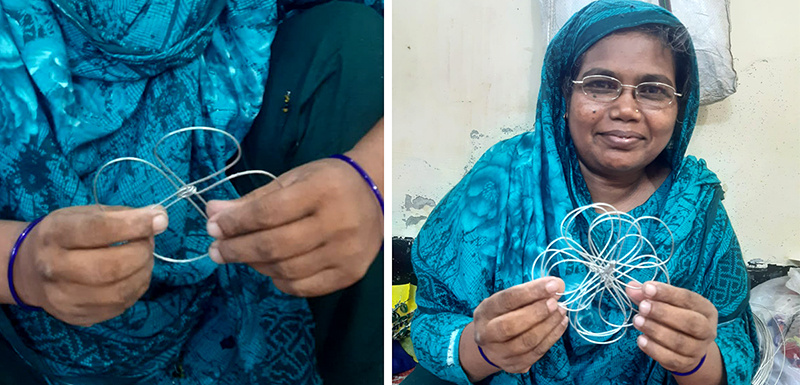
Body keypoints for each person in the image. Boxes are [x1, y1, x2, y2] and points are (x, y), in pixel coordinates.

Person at [0, 0, 383, 384]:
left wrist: (370, 179)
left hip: (242, 164)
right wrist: (19, 263)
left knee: (352, 39)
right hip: (31, 322)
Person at [407, 1, 758, 384]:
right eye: (600, 85)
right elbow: (434, 322)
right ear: (564, 93)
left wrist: (693, 358)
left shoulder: (696, 206)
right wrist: (484, 348)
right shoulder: (504, 178)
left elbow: (734, 349)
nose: (626, 108)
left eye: (653, 90)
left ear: (680, 105)